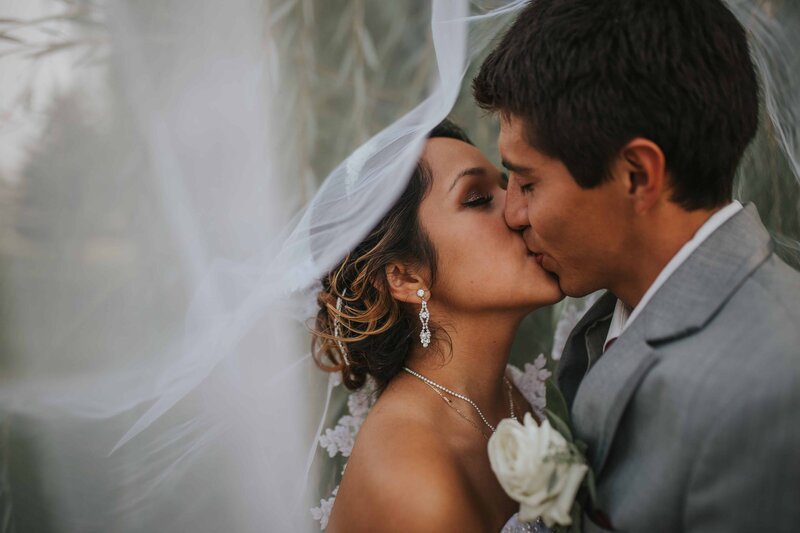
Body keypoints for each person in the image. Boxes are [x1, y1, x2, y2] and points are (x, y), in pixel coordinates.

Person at [473, 0, 800, 531]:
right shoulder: (615, 314)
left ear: (637, 175)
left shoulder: (771, 390)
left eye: (528, 183)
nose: (512, 212)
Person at [312, 120, 561, 532]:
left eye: (509, 185)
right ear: (408, 278)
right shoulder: (413, 480)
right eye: (479, 198)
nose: (520, 209)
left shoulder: (506, 391)